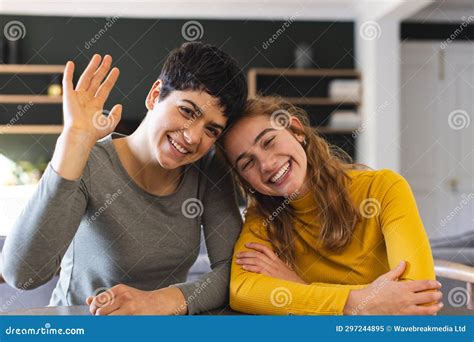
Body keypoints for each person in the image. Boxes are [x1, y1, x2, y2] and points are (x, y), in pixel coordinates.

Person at [2, 42, 247, 315]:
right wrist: (72, 143)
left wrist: (158, 302)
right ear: (155, 95)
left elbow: (233, 271)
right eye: (188, 112)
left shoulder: (208, 169)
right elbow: (22, 275)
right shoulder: (90, 161)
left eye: (211, 130)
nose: (193, 137)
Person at [222, 96, 443, 315]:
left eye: (269, 142)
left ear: (297, 131)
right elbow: (241, 291)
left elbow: (419, 300)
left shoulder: (383, 189)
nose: (267, 164)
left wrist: (298, 285)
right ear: (244, 180)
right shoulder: (262, 216)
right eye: (248, 163)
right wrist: (359, 303)